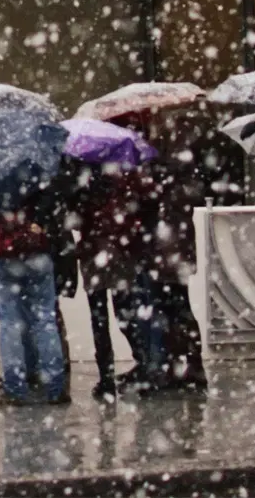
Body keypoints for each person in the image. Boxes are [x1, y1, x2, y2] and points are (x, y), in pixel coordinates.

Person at [71, 159, 156, 398]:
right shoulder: (124, 180)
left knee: (99, 318)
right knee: (124, 313)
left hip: (94, 256)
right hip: (119, 254)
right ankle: (143, 366)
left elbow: (77, 219)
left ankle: (106, 377)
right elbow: (135, 216)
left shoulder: (84, 183)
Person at [141, 115, 209, 390]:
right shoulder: (185, 176)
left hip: (166, 252)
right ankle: (187, 365)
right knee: (178, 308)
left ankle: (182, 367)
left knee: (171, 309)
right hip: (176, 252)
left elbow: (155, 208)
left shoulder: (165, 177)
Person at [0, 198, 68, 407]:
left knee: (9, 323)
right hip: (37, 252)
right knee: (45, 320)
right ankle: (55, 387)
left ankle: (15, 388)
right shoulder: (41, 171)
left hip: (5, 254)